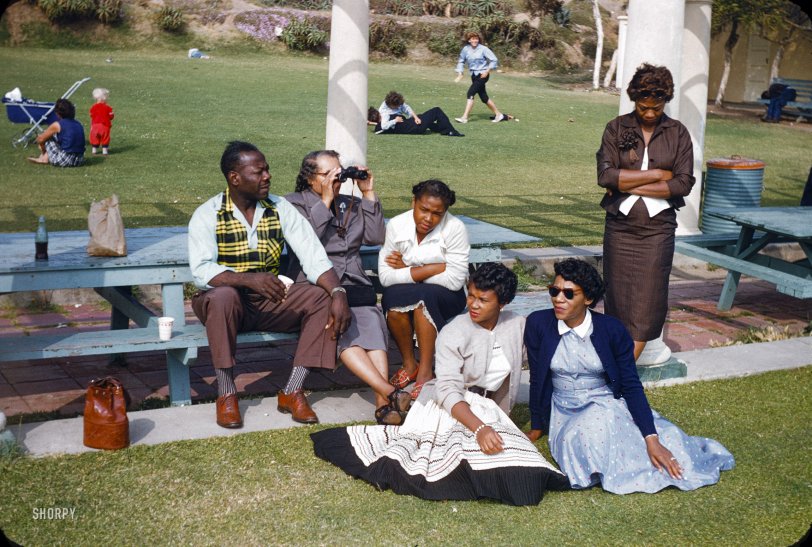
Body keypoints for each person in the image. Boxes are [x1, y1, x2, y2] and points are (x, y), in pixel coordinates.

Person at [311, 263, 570, 505]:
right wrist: (479, 428)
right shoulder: (453, 332)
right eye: (470, 296)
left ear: (504, 303)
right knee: (442, 467)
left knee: (527, 474)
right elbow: (447, 391)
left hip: (489, 408)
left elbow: (550, 337)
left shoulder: (517, 325)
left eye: (483, 300)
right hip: (449, 406)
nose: (473, 305)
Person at [525, 258, 735, 494]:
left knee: (664, 440)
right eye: (554, 290)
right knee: (580, 436)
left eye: (568, 293)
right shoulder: (538, 323)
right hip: (564, 407)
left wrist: (651, 438)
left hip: (603, 402)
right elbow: (537, 377)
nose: (558, 299)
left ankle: (652, 447)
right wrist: (537, 424)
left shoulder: (611, 329)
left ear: (589, 299)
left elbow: (631, 385)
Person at [188, 141, 352, 429]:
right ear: (234, 178)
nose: (267, 176)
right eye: (259, 171)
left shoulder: (280, 208)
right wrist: (248, 279)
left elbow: (314, 257)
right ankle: (226, 393)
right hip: (225, 304)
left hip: (270, 300)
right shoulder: (208, 213)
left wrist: (338, 292)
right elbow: (201, 270)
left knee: (321, 297)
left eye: (267, 170)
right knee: (223, 296)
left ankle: (292, 390)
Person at [285, 150, 411, 425]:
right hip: (317, 285)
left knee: (372, 325)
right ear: (309, 178)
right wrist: (326, 200)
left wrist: (368, 193)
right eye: (327, 174)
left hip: (354, 282)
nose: (335, 179)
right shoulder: (292, 205)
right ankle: (390, 393)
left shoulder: (350, 204)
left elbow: (376, 237)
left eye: (338, 172)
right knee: (340, 326)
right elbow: (306, 244)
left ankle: (383, 405)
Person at [596, 63, 695, 361]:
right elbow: (605, 177)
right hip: (620, 228)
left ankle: (621, 370)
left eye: (656, 106)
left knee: (648, 299)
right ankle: (618, 365)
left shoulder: (678, 133)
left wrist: (627, 182)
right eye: (643, 106)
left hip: (657, 230)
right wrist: (657, 175)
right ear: (634, 99)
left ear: (665, 101)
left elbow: (683, 183)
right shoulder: (616, 127)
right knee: (617, 295)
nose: (650, 113)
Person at [379, 179, 470, 401]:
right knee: (392, 302)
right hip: (411, 289)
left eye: (437, 213)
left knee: (423, 301)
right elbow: (386, 276)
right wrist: (433, 268)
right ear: (414, 203)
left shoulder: (455, 228)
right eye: (423, 210)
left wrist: (410, 270)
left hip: (446, 296)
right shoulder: (397, 225)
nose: (428, 218)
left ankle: (426, 372)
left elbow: (455, 280)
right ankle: (410, 364)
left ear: (445, 212)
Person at [453, 31, 513, 124]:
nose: (475, 40)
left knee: (470, 93)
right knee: (484, 97)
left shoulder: (483, 49)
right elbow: (461, 60)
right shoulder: (465, 49)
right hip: (474, 75)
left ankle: (464, 117)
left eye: (476, 38)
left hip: (483, 75)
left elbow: (494, 59)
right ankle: (499, 115)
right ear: (469, 40)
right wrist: (460, 72)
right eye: (473, 39)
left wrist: (487, 71)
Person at [367, 91, 464, 137]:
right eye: (397, 106)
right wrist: (395, 120)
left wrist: (415, 117)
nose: (399, 108)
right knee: (436, 111)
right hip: (415, 127)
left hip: (412, 123)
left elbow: (406, 108)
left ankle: (443, 130)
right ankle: (451, 131)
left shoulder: (379, 124)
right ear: (391, 105)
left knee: (427, 119)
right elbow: (384, 126)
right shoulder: (385, 114)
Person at [27, 98, 85, 167]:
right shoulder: (78, 123)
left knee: (47, 136)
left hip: (65, 160)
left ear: (58, 114)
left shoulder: (57, 125)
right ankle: (44, 157)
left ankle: (43, 158)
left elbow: (41, 139)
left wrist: (43, 149)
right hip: (79, 160)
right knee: (56, 136)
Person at [89, 87, 115, 155]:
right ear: (104, 98)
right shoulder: (108, 108)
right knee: (105, 138)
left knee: (94, 137)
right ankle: (104, 151)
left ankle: (94, 150)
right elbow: (111, 116)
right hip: (105, 125)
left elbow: (91, 115)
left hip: (95, 126)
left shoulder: (93, 107)